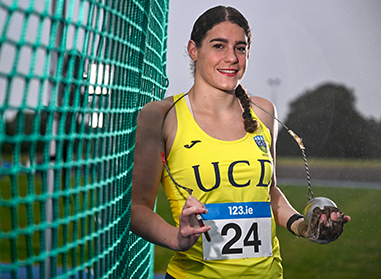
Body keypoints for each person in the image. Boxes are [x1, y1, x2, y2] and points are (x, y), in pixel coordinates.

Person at [130, 5, 350, 279]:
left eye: (241, 48)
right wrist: (178, 239)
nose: (232, 58)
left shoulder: (262, 113)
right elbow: (138, 209)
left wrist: (303, 226)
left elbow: (269, 194)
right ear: (193, 50)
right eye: (219, 46)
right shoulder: (162, 116)